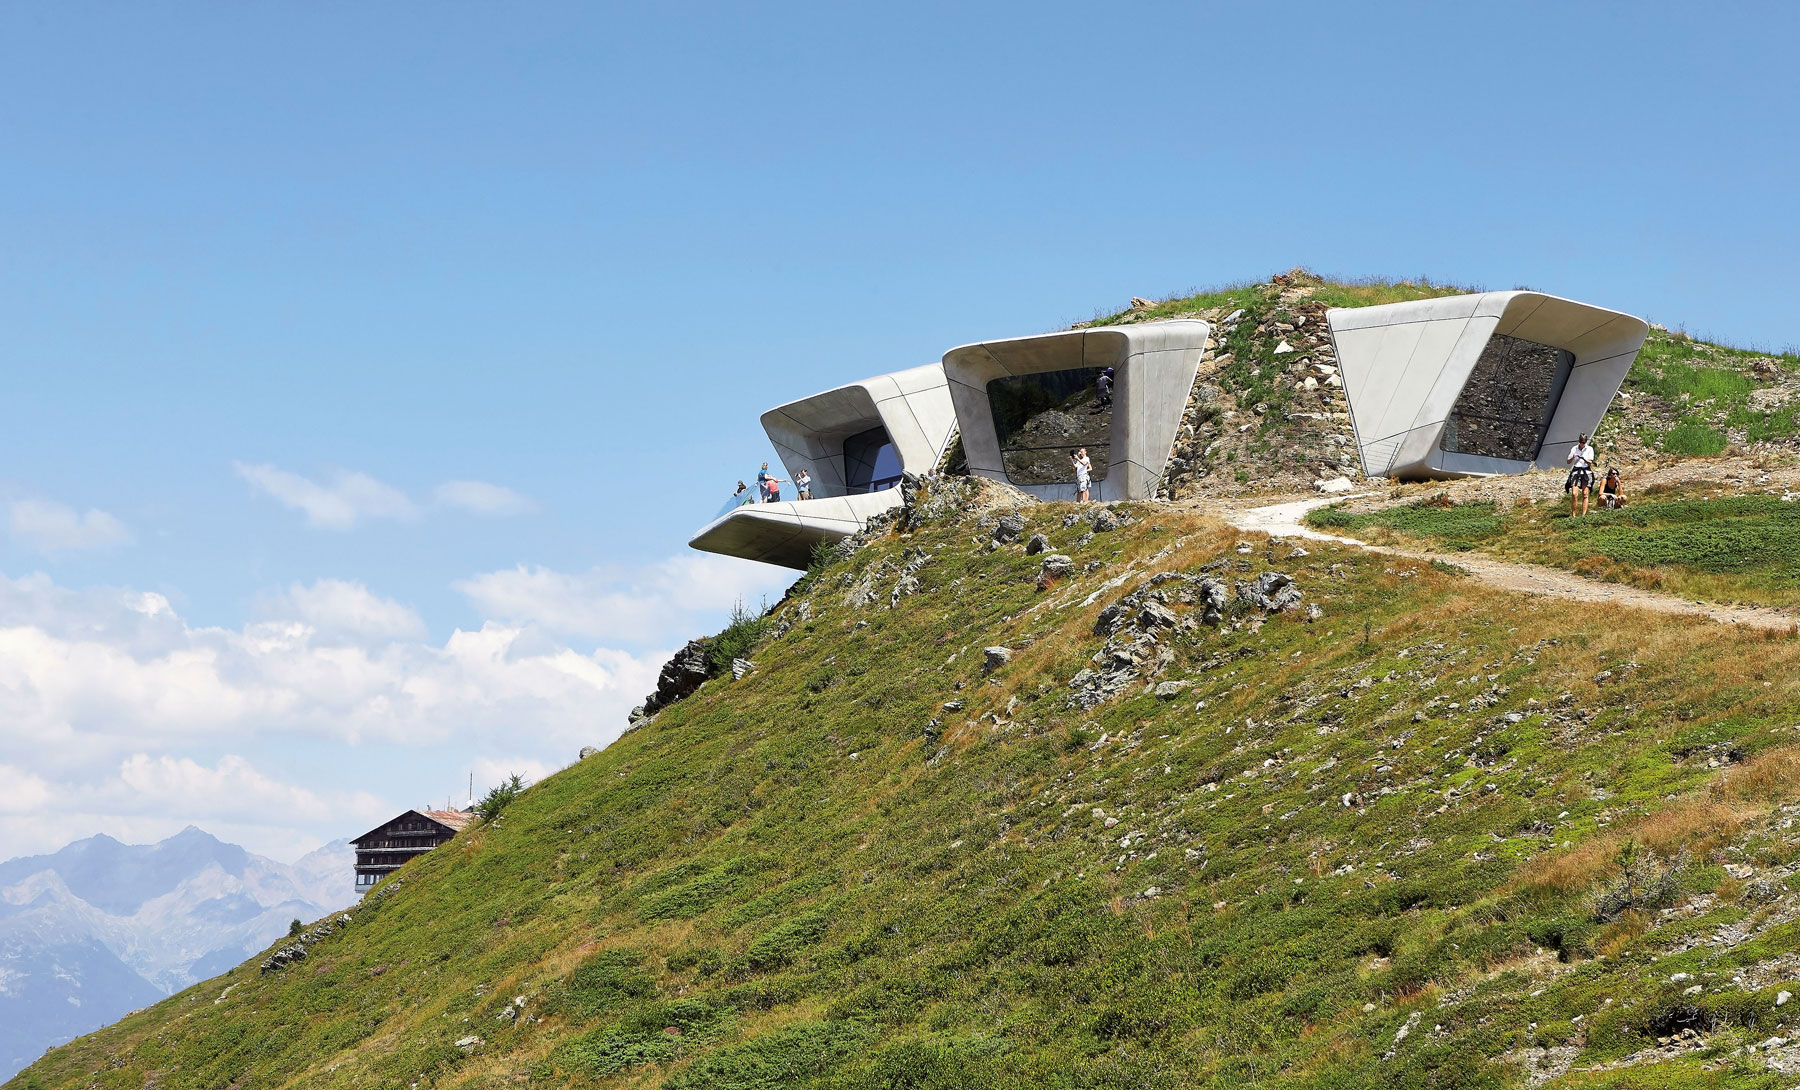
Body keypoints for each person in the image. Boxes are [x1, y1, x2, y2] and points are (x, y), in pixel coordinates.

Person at [1565, 432, 1597, 516]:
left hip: (1586, 471)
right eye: (1581, 442)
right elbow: (1568, 461)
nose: (1582, 444)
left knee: (1585, 494)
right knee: (1574, 494)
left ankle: (1583, 515)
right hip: (1576, 471)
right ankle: (1573, 515)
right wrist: (1573, 457)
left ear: (1586, 442)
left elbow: (1590, 462)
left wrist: (1584, 458)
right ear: (1579, 441)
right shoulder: (1574, 448)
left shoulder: (1589, 449)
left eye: (1584, 442)